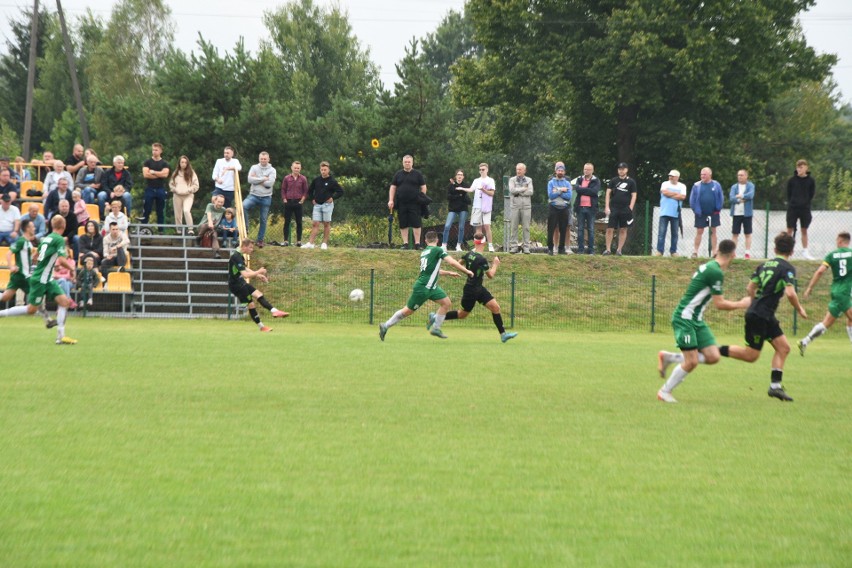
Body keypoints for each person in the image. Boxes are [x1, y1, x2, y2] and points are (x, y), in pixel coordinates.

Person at [655, 239, 751, 403]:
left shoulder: (710, 266)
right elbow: (719, 304)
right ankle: (664, 392)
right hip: (684, 320)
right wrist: (741, 304)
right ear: (733, 255)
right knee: (691, 361)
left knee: (713, 356)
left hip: (696, 321)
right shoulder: (715, 272)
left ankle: (669, 358)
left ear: (718, 251)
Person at [717, 233, 806, 401]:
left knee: (784, 348)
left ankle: (775, 387)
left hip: (763, 314)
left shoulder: (763, 265)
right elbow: (790, 292)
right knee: (751, 355)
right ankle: (713, 350)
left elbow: (750, 287)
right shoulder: (787, 268)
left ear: (774, 248)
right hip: (760, 315)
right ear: (792, 251)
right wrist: (799, 309)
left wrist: (755, 301)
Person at [379, 230, 473, 341]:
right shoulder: (438, 250)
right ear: (438, 240)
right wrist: (467, 271)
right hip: (423, 287)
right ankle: (386, 325)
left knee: (446, 303)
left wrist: (448, 273)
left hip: (432, 287)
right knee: (407, 311)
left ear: (425, 241)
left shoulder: (425, 252)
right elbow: (452, 262)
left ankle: (436, 328)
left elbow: (432, 270)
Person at [0, 215, 77, 345]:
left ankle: (60, 337)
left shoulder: (46, 238)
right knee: (31, 310)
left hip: (47, 278)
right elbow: (63, 259)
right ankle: (1, 313)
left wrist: (50, 263)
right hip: (41, 279)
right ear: (63, 226)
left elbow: (36, 257)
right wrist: (72, 269)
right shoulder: (59, 239)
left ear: (52, 226)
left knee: (64, 302)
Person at [435, 232, 518, 342]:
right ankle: (437, 318)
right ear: (484, 243)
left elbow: (458, 263)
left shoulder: (468, 254)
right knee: (462, 314)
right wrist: (496, 264)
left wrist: (468, 269)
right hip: (471, 290)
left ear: (474, 242)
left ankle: (503, 334)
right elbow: (491, 275)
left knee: (495, 307)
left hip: (479, 288)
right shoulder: (481, 260)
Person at [798, 231, 852, 353]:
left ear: (840, 240)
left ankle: (804, 341)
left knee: (826, 323)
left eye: (837, 240)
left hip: (837, 291)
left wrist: (809, 288)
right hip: (844, 293)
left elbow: (820, 271)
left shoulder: (831, 255)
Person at [228, 238, 288, 332]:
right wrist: (258, 271)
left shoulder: (239, 255)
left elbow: (245, 269)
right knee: (251, 305)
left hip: (240, 282)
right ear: (244, 246)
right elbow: (245, 275)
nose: (252, 249)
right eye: (250, 247)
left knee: (258, 294)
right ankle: (262, 327)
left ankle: (274, 311)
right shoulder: (236, 256)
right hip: (236, 285)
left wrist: (258, 275)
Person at [388, 155, 428, 250]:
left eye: (409, 162)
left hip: (415, 203)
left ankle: (417, 244)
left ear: (412, 162)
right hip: (401, 203)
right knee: (403, 223)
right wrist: (391, 200)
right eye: (405, 162)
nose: (407, 163)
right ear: (403, 163)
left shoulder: (417, 174)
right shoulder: (398, 174)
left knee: (416, 223)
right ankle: (405, 244)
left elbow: (423, 187)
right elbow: (393, 187)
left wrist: (421, 197)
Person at [303, 161, 343, 250]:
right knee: (315, 223)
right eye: (322, 170)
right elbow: (310, 190)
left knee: (326, 223)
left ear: (328, 170)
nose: (323, 171)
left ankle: (324, 243)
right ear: (320, 170)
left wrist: (333, 198)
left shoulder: (332, 181)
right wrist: (312, 199)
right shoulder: (316, 180)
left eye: (325, 170)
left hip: (327, 205)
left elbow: (340, 191)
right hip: (317, 205)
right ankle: (311, 243)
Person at [243, 151, 277, 247]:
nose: (263, 160)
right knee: (243, 206)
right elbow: (250, 180)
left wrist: (257, 179)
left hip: (266, 197)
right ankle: (246, 228)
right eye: (261, 158)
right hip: (253, 195)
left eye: (265, 159)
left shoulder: (272, 170)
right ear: (259, 159)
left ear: (268, 159)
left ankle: (260, 240)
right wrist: (263, 178)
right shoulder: (254, 167)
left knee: (263, 219)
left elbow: (270, 184)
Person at [603, 162, 637, 256]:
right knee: (610, 228)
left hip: (625, 208)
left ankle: (619, 250)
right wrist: (607, 206)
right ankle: (608, 250)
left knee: (623, 229)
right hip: (614, 208)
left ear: (626, 170)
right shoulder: (614, 180)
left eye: (623, 169)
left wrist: (631, 207)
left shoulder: (631, 182)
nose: (621, 170)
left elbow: (634, 195)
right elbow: (608, 193)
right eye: (619, 169)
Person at [689, 166, 724, 258]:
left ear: (710, 174)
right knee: (699, 231)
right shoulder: (696, 185)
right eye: (701, 174)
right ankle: (695, 252)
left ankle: (714, 252)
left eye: (704, 174)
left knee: (713, 231)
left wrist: (718, 208)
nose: (702, 176)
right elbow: (692, 200)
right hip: (701, 213)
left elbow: (721, 198)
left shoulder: (716, 185)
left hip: (713, 213)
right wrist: (695, 210)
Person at [786, 159, 816, 260]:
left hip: (805, 208)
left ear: (806, 168)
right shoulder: (792, 180)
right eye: (798, 167)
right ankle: (787, 250)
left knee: (804, 229)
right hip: (793, 208)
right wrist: (793, 202)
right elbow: (789, 194)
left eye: (801, 167)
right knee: (789, 229)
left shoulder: (811, 181)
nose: (799, 169)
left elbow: (811, 194)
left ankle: (805, 252)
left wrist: (805, 202)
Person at [140, 142, 171, 232]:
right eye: (153, 150)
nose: (154, 152)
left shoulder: (164, 163)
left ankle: (161, 230)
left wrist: (153, 172)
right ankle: (143, 228)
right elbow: (146, 174)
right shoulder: (147, 162)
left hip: (160, 189)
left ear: (161, 151)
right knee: (147, 209)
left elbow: (165, 175)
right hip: (149, 188)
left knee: (160, 210)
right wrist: (159, 174)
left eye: (156, 150)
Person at [655, 170, 686, 257]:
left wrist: (670, 194)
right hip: (664, 212)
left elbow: (683, 196)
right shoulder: (665, 183)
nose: (670, 177)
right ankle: (659, 251)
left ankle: (673, 251)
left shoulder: (682, 186)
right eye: (670, 176)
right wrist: (676, 194)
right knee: (661, 233)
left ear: (677, 177)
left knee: (675, 234)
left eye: (672, 176)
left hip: (676, 213)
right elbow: (664, 192)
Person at [572, 163, 601, 255]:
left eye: (588, 169)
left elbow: (594, 192)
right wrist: (587, 190)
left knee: (591, 229)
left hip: (591, 208)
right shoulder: (579, 179)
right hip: (580, 207)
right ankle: (580, 250)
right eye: (585, 169)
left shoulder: (596, 181)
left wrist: (582, 189)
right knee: (580, 229)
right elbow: (577, 189)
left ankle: (591, 250)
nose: (586, 171)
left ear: (592, 170)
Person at [169, 155, 199, 236]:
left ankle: (190, 229)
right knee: (178, 213)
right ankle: (179, 230)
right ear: (179, 163)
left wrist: (189, 190)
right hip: (177, 195)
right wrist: (175, 190)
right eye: (182, 162)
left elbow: (196, 185)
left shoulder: (191, 172)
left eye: (185, 162)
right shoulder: (175, 173)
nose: (183, 164)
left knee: (186, 210)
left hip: (188, 195)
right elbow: (171, 185)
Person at [280, 161, 308, 246]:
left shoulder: (303, 179)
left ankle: (299, 241)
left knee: (299, 222)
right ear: (291, 168)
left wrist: (302, 200)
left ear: (300, 169)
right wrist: (284, 199)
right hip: (288, 201)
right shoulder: (287, 178)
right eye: (295, 168)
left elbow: (305, 190)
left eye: (298, 168)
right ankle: (286, 241)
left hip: (298, 202)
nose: (296, 169)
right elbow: (283, 189)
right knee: (287, 222)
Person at [470, 163, 496, 252]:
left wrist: (483, 190)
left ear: (487, 170)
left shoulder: (490, 180)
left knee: (487, 225)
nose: (481, 171)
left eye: (483, 169)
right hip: (477, 206)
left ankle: (490, 245)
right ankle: (478, 246)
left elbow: (492, 193)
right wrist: (460, 188)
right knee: (478, 227)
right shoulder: (476, 180)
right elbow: (470, 189)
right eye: (480, 169)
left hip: (486, 206)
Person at [508, 163, 534, 254]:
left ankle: (526, 247)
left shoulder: (529, 180)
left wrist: (518, 191)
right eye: (517, 169)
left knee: (526, 227)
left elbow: (530, 192)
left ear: (524, 170)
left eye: (520, 169)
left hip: (526, 207)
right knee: (514, 227)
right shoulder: (512, 180)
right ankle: (514, 247)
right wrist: (523, 189)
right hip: (515, 206)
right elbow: (512, 190)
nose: (518, 171)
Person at [442, 169, 471, 251]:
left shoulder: (466, 185)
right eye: (458, 174)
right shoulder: (450, 186)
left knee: (461, 227)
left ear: (463, 177)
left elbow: (465, 195)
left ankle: (458, 245)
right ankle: (444, 245)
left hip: (463, 209)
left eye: (461, 175)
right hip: (453, 209)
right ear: (456, 176)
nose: (459, 176)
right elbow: (449, 197)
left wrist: (458, 193)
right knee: (447, 226)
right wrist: (459, 195)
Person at [546, 162, 572, 255]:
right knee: (551, 228)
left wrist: (557, 190)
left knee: (563, 229)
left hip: (564, 207)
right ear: (555, 171)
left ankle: (561, 248)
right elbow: (551, 195)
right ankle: (550, 248)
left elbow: (569, 196)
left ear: (564, 172)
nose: (560, 172)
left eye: (562, 170)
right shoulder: (551, 182)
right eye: (558, 170)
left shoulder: (567, 183)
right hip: (553, 207)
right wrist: (561, 190)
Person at [729, 169, 755, 259]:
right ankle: (733, 252)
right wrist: (740, 200)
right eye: (738, 175)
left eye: (742, 175)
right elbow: (731, 198)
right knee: (735, 233)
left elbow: (751, 195)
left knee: (748, 233)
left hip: (747, 214)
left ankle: (747, 253)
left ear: (746, 176)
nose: (740, 177)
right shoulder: (734, 187)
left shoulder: (750, 186)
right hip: (736, 213)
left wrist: (741, 195)